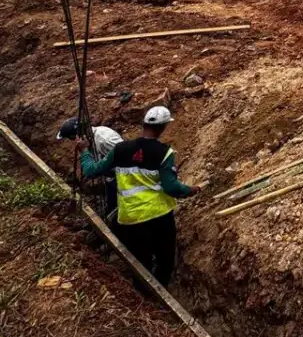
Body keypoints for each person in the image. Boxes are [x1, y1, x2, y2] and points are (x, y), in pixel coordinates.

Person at [78, 106, 199, 286]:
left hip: (130, 219)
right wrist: (190, 190)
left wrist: (84, 152)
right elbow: (171, 187)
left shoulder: (120, 149)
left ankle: (144, 301)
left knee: (140, 265)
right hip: (159, 218)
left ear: (143, 125)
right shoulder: (164, 153)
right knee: (165, 261)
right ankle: (161, 298)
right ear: (163, 127)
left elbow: (91, 170)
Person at [57, 117, 123, 217]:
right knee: (111, 207)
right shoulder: (89, 140)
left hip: (125, 178)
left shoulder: (105, 139)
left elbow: (127, 157)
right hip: (113, 176)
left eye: (71, 138)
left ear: (76, 136)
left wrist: (84, 151)